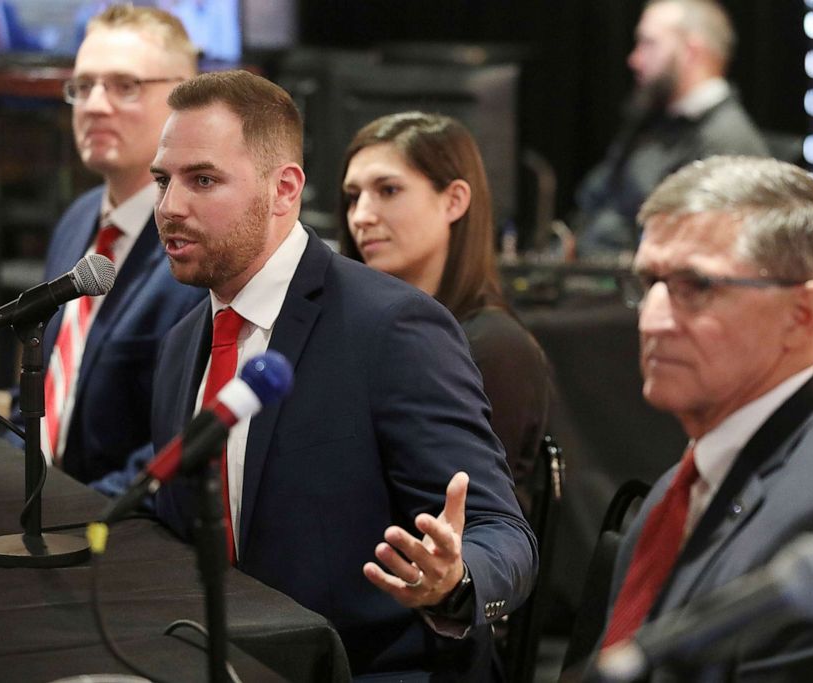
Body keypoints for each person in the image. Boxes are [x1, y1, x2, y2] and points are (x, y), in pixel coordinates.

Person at [149, 70, 537, 680]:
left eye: (202, 180)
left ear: (284, 190)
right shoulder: (180, 345)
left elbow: (502, 532)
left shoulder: (393, 326)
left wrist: (455, 579)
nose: (170, 206)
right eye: (161, 180)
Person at [577, 156, 813, 681]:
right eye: (649, 282)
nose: (652, 318)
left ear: (802, 315)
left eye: (697, 286)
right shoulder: (684, 481)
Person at [0, 5, 205, 492]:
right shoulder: (78, 218)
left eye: (124, 85)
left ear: (185, 98)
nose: (93, 104)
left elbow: (180, 444)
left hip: (118, 533)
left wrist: (67, 515)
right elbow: (37, 382)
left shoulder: (201, 242)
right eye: (83, 85)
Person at [338, 111, 550, 515]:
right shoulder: (355, 331)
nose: (361, 216)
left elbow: (471, 515)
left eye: (388, 190)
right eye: (353, 196)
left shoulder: (494, 347)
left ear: (453, 200)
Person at [572, 0, 768, 258]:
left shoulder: (730, 145)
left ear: (690, 51)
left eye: (649, 43)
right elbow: (594, 197)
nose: (634, 59)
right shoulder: (649, 119)